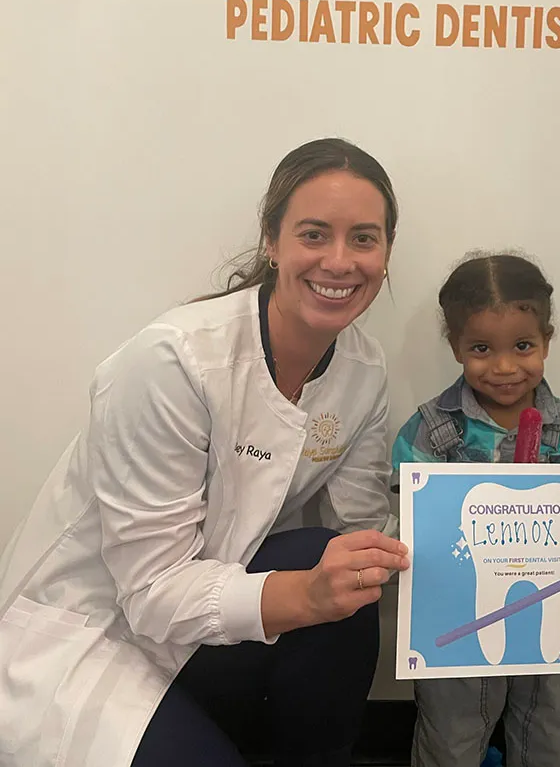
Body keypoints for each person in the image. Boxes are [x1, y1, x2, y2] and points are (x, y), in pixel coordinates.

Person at [0, 138, 408, 767]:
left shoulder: (364, 370)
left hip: (209, 617)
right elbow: (152, 591)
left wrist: (490, 544)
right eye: (313, 234)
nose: (339, 260)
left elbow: (360, 529)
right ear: (271, 242)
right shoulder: (174, 361)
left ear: (384, 253)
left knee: (344, 566)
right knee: (321, 579)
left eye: (363, 238)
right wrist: (306, 597)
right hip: (96, 628)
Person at [392, 253, 560, 767]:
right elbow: (408, 516)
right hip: (460, 607)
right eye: (482, 349)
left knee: (550, 726)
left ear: (547, 341)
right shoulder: (430, 431)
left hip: (555, 596)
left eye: (524, 346)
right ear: (456, 347)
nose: (506, 366)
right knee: (453, 727)